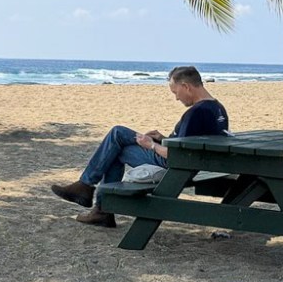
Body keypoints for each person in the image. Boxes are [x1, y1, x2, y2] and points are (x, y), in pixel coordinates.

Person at [50, 65, 230, 227]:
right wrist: (163, 138)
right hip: (195, 164)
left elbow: (175, 155)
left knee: (117, 135)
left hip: (176, 166)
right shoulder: (217, 108)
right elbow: (188, 145)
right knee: (116, 145)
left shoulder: (195, 113)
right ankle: (96, 203)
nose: (176, 98)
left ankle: (92, 195)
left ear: (186, 87)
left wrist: (152, 145)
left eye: (175, 92)